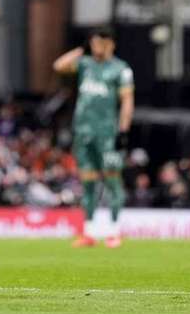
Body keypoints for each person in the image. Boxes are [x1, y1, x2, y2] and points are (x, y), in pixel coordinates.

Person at [53, 27, 134, 248]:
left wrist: (123, 131)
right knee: (88, 183)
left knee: (112, 181)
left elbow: (127, 102)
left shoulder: (120, 69)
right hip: (83, 132)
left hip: (108, 134)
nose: (97, 46)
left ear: (111, 44)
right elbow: (58, 66)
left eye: (100, 42)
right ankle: (88, 233)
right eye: (94, 42)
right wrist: (82, 49)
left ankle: (115, 232)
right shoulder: (85, 64)